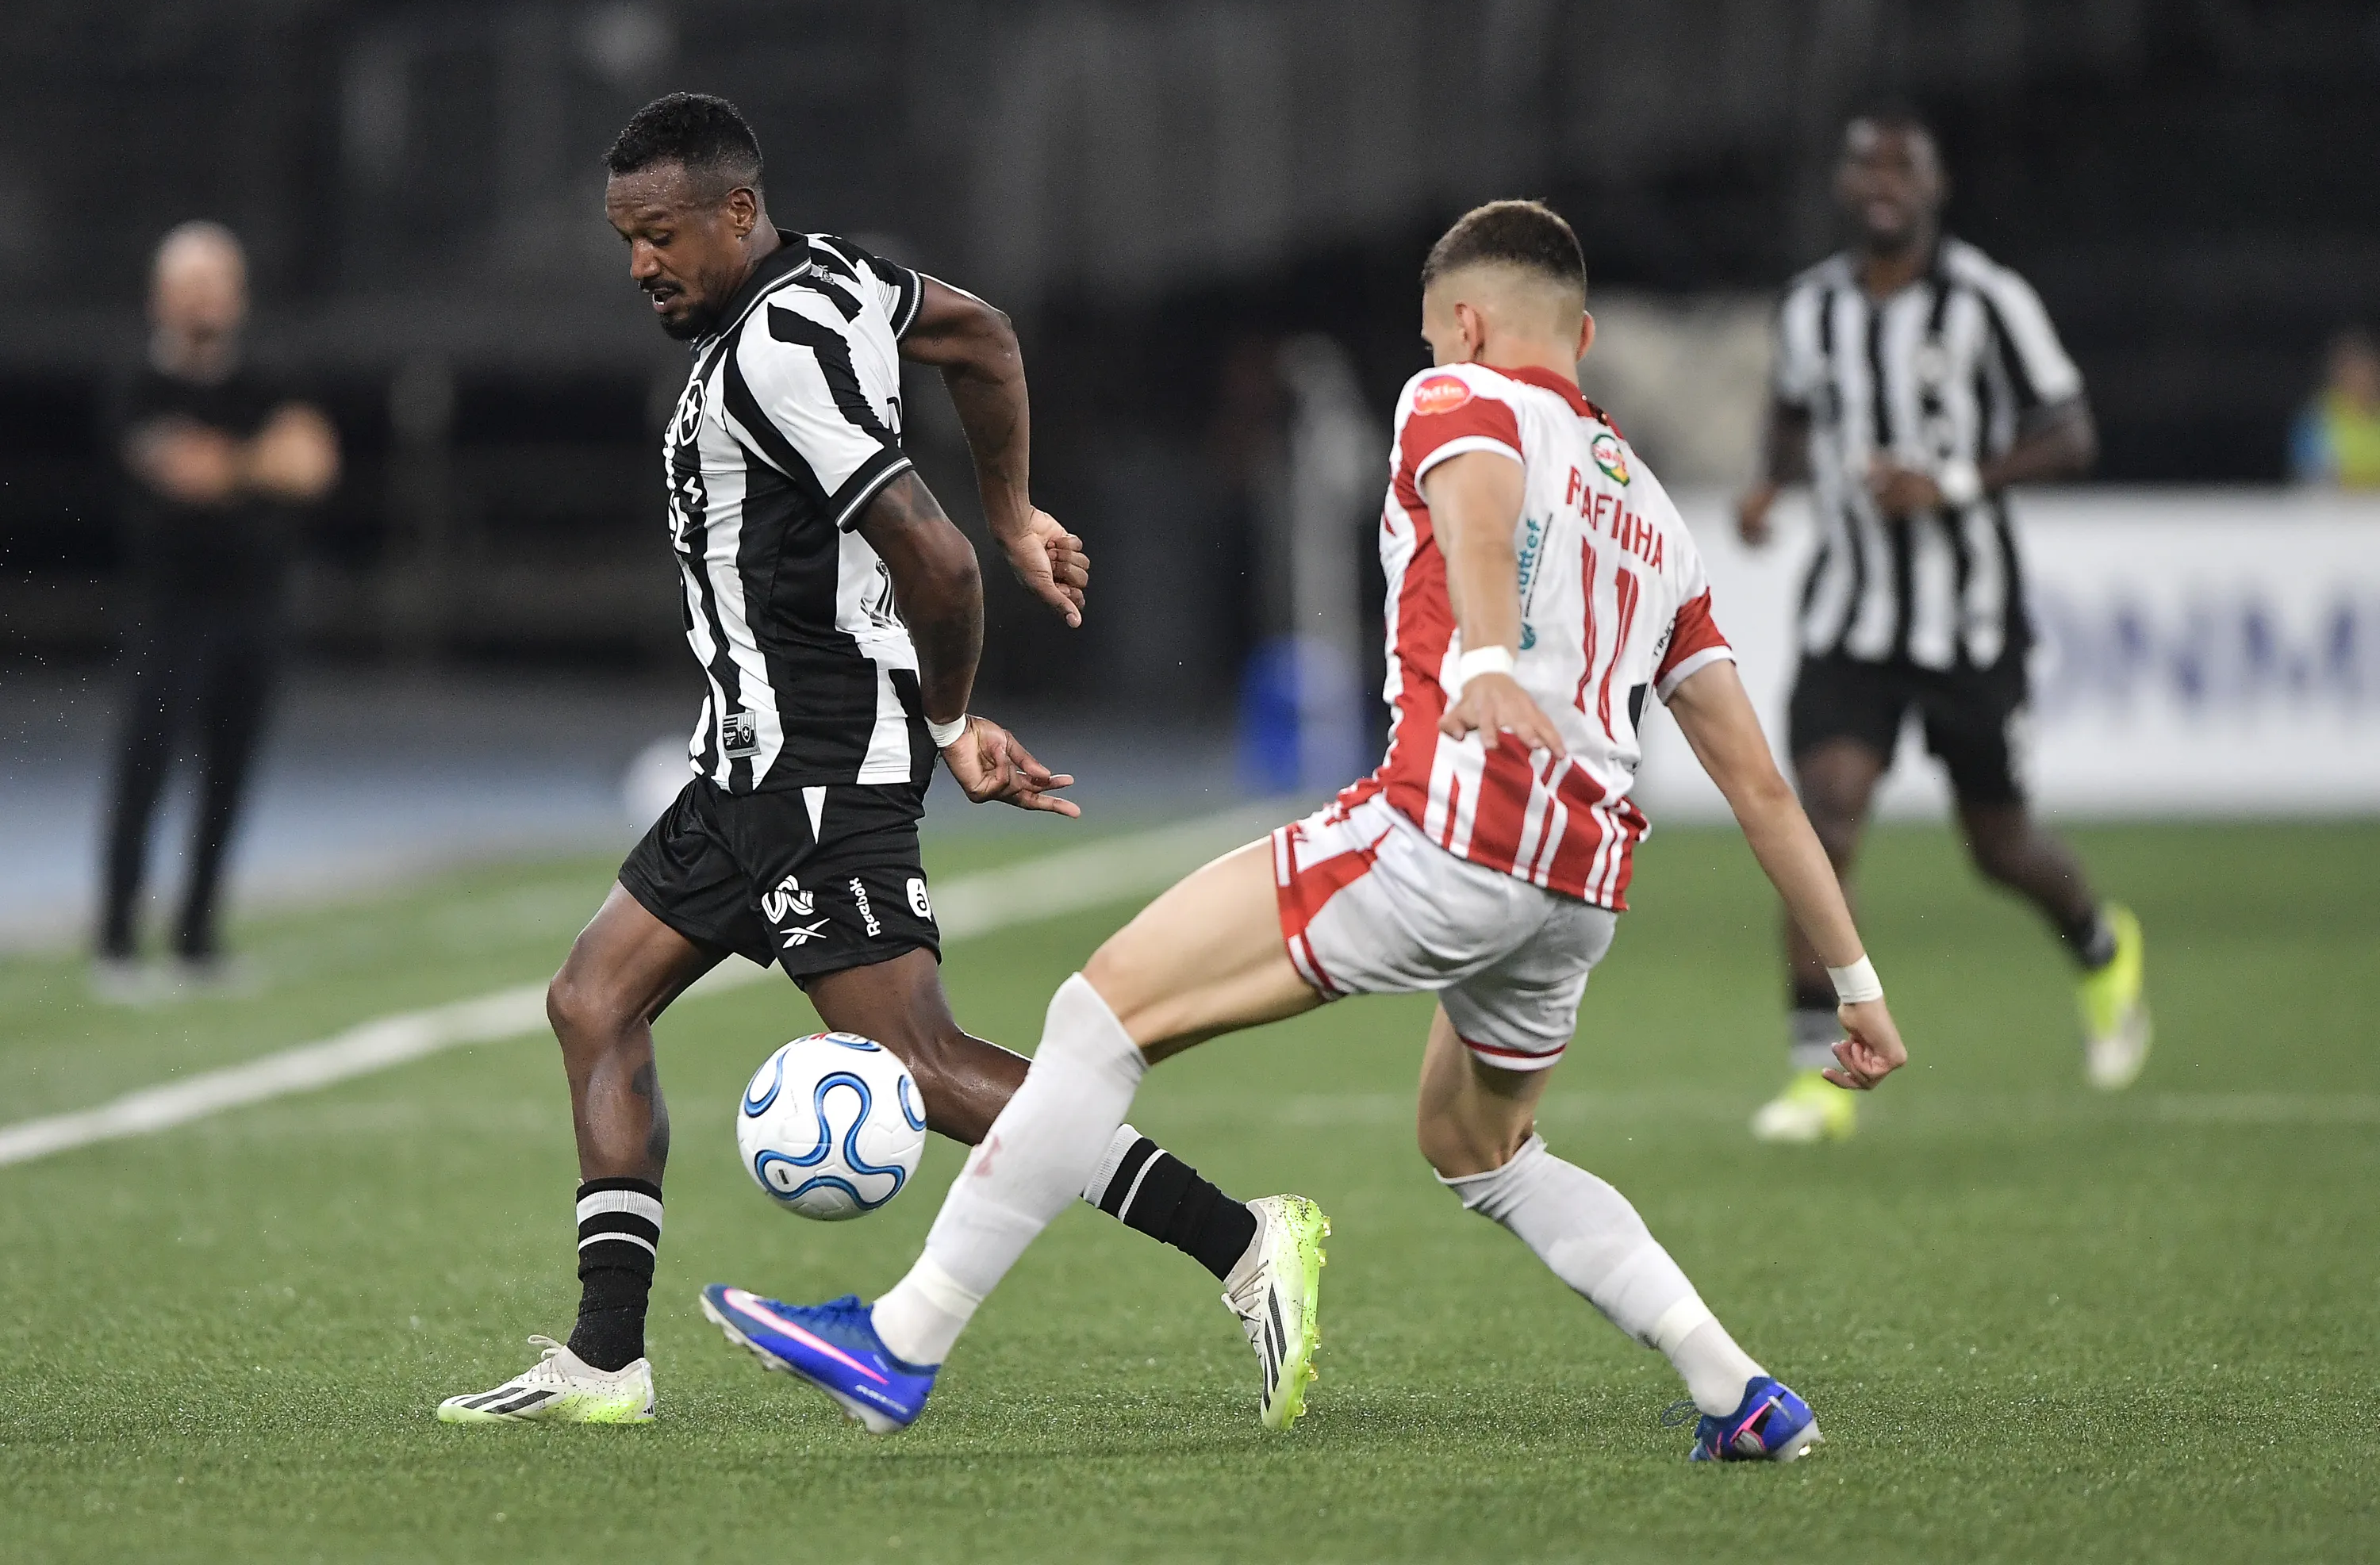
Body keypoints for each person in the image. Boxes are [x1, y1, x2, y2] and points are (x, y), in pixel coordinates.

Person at [701, 201, 1909, 1462]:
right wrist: (1856, 987)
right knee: (1481, 1148)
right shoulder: (1657, 520)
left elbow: (1481, 506)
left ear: (1466, 325)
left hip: (1449, 832)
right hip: (1579, 887)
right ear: (1587, 336)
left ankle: (901, 1341)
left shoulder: (1457, 395)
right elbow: (1762, 788)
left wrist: (1488, 655)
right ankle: (1740, 1392)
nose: (1434, 355)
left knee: (1097, 1018)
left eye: (1436, 336)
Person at [437, 94, 1318, 1427]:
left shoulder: (774, 355)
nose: (641, 265)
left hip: (818, 759)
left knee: (920, 1063)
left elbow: (937, 563)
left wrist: (952, 716)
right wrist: (1017, 505)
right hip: (747, 761)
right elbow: (981, 335)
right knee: (592, 1000)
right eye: (626, 240)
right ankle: (607, 1360)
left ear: (738, 211)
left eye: (661, 234)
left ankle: (1245, 1242)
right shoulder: (837, 277)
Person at [1735, 108, 2149, 1145]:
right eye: (1865, 166)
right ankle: (1816, 1073)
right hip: (1849, 617)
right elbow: (1792, 412)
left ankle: (2101, 947)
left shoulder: (1986, 299)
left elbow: (2071, 432)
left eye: (1902, 167)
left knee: (1999, 846)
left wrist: (1952, 482)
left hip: (1968, 623)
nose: (1883, 182)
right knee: (1823, 822)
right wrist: (1768, 485)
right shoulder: (1810, 308)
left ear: (1935, 185)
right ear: (1844, 185)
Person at [94, 222, 340, 999]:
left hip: (256, 605)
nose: (204, 300)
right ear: (159, 297)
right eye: (189, 284)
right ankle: (117, 941)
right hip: (171, 608)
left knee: (229, 773)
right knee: (145, 769)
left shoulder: (271, 373)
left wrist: (231, 462)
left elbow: (311, 464)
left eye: (216, 283)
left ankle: (197, 938)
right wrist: (259, 462)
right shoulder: (138, 381)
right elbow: (185, 471)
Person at [2287, 329, 2380, 490]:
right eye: (2350, 368)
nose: (2359, 377)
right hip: (2336, 503)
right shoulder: (2317, 417)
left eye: (2364, 368)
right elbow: (2308, 477)